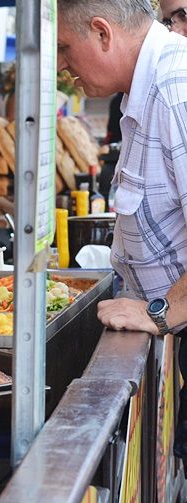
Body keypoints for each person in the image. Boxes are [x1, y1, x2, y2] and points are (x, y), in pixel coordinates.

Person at [56, 0, 187, 459]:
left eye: (65, 48)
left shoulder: (177, 87)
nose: (62, 65)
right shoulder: (143, 86)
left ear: (102, 33)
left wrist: (162, 311)